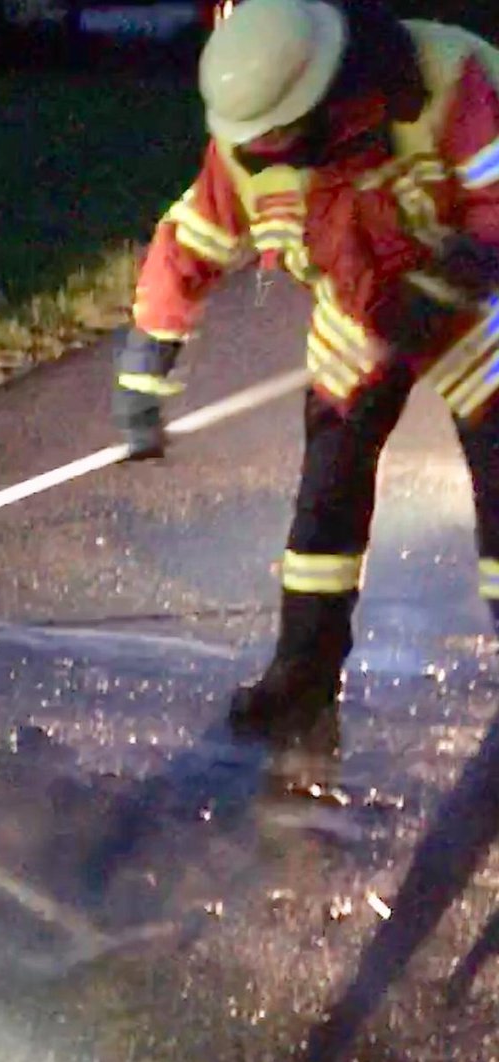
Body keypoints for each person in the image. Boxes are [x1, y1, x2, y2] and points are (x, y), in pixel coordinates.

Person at [112, 0, 499, 745]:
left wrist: (450, 283)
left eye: (274, 134)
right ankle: (303, 677)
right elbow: (190, 242)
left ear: (321, 95)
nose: (257, 149)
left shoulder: (445, 85)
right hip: (359, 317)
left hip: (477, 308)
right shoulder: (247, 146)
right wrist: (146, 370)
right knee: (326, 499)